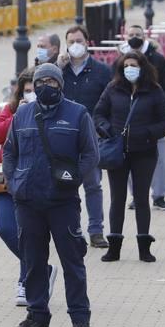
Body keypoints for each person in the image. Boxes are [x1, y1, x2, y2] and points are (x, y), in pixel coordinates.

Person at [3, 63, 98, 327]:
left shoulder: (77, 114)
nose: (46, 86)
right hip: (28, 201)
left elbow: (90, 154)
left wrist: (74, 179)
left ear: (61, 85)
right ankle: (37, 317)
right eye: (41, 81)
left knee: (72, 261)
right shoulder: (22, 114)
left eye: (52, 82)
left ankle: (80, 319)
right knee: (32, 261)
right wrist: (13, 180)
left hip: (63, 201)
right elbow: (10, 151)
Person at [94, 51, 165, 263]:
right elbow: (98, 113)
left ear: (142, 68)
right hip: (117, 152)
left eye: (134, 65)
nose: (130, 68)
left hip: (144, 152)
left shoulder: (153, 91)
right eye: (126, 65)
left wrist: (148, 133)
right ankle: (114, 247)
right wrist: (106, 128)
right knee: (117, 199)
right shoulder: (113, 88)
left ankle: (144, 247)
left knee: (141, 198)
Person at [0, 69, 58, 307]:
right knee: (6, 227)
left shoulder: (53, 112)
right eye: (27, 90)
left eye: (35, 89)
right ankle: (41, 269)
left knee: (26, 231)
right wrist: (19, 115)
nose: (32, 94)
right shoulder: (12, 109)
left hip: (35, 181)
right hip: (8, 180)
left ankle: (26, 281)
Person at [61, 25, 112, 248]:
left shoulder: (101, 71)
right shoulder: (59, 71)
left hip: (91, 138)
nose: (75, 45)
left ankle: (96, 230)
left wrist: (103, 128)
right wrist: (57, 66)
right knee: (64, 185)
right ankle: (69, 230)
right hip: (63, 137)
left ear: (87, 42)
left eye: (79, 40)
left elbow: (110, 102)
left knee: (93, 185)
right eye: (71, 41)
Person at [122, 24, 165, 212]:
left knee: (159, 160)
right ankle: (137, 196)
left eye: (138, 34)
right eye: (131, 34)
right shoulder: (122, 59)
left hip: (153, 121)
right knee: (129, 159)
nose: (134, 37)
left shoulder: (157, 59)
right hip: (129, 121)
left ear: (145, 37)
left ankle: (159, 195)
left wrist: (162, 112)